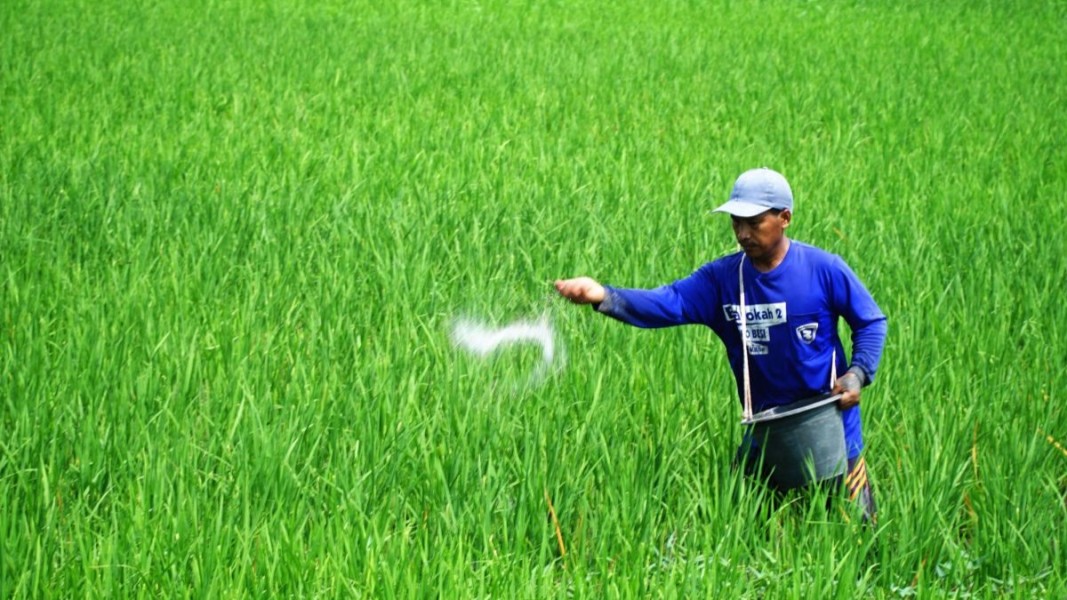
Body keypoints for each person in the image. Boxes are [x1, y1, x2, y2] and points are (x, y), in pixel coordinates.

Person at [554, 167, 887, 520]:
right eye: (736, 222)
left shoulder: (822, 269)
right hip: (766, 429)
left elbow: (870, 321)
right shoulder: (722, 280)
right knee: (733, 523)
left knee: (856, 531)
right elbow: (670, 302)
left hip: (830, 425)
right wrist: (603, 295)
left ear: (785, 218)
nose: (742, 233)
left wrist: (857, 373)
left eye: (754, 222)